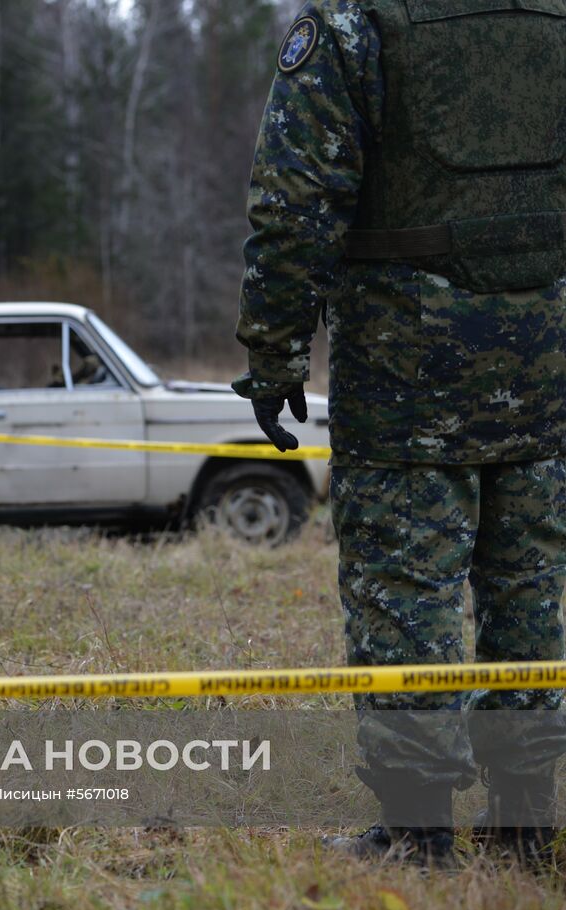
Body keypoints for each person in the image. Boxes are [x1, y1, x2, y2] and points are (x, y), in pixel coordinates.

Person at [233, 1, 566, 865]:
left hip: (408, 375)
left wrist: (272, 354)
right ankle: (526, 828)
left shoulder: (355, 29)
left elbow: (294, 200)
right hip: (548, 371)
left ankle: (419, 838)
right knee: (532, 598)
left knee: (405, 600)